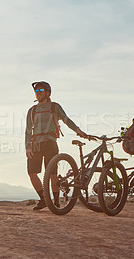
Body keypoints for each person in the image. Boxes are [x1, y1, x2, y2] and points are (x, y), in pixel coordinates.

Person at [25, 81, 88, 210]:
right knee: (32, 173)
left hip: (50, 143)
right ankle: (43, 199)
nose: (38, 94)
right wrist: (27, 146)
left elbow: (66, 120)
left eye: (41, 91)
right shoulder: (32, 110)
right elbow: (27, 130)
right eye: (36, 92)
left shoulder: (54, 107)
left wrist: (78, 131)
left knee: (52, 174)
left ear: (48, 93)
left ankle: (55, 201)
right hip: (35, 144)